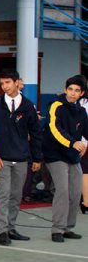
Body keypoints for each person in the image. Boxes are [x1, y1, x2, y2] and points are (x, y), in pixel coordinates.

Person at [0, 69, 43, 246]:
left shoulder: (28, 106)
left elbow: (36, 133)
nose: (5, 87)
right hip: (2, 158)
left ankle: (11, 227)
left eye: (8, 83)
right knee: (4, 193)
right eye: (2, 83)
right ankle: (2, 232)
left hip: (22, 158)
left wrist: (37, 158)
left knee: (16, 195)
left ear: (17, 82)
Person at [42, 75, 88, 242]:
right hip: (54, 154)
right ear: (65, 90)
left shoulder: (81, 111)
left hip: (72, 156)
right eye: (70, 89)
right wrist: (72, 143)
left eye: (77, 90)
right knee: (62, 191)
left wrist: (84, 144)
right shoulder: (56, 106)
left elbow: (86, 132)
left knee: (76, 192)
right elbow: (55, 130)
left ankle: (68, 227)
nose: (73, 93)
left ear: (82, 93)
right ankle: (57, 230)